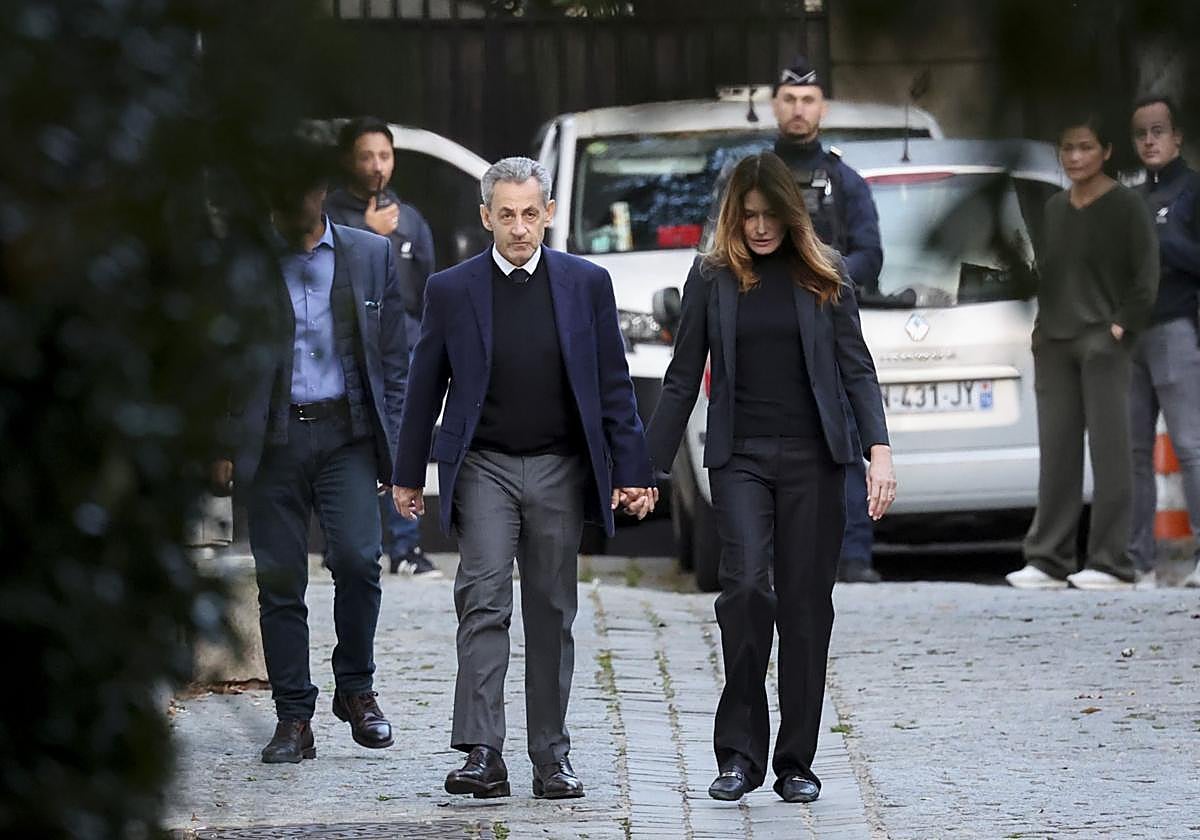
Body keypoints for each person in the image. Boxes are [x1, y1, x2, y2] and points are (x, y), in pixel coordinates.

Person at [391, 157, 656, 800]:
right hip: (483, 464)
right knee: (482, 598)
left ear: (549, 213)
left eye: (529, 213)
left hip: (560, 466)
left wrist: (634, 470)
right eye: (505, 215)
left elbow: (613, 386)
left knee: (551, 608)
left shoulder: (585, 284)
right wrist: (405, 473)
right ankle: (483, 751)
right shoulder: (452, 290)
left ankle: (551, 757)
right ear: (485, 217)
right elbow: (424, 384)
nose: (518, 227)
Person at [646, 152, 894, 804]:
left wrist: (880, 452)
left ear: (792, 213)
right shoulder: (712, 277)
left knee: (807, 609)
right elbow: (680, 379)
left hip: (816, 458)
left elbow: (856, 370)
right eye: (749, 215)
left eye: (771, 215)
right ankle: (738, 756)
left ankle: (796, 762)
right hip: (741, 459)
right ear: (734, 214)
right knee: (748, 592)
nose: (759, 228)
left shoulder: (827, 274)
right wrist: (647, 465)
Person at [215, 136, 409, 762]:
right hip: (272, 439)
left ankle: (355, 688)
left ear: (322, 190)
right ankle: (293, 717)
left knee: (358, 560)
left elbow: (394, 358)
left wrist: (401, 447)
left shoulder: (370, 254)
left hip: (345, 434)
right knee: (280, 582)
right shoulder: (241, 264)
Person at [1006, 113, 1159, 591]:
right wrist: (1039, 332)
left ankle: (1112, 561)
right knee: (1057, 452)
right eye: (1067, 148)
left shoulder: (1127, 206)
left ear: (1107, 151)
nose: (1074, 158)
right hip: (1054, 341)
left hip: (1103, 342)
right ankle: (1049, 558)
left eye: (1085, 148)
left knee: (1112, 453)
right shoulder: (1053, 208)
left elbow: (1146, 274)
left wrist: (1120, 327)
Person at [771, 57, 885, 583]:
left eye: (808, 99)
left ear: (823, 107)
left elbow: (870, 254)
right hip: (767, 327)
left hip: (827, 322)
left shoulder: (843, 179)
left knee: (842, 438)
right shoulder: (752, 176)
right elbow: (720, 244)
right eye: (790, 99)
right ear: (775, 105)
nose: (799, 109)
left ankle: (854, 555)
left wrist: (824, 275)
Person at [324, 116, 440, 578]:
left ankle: (407, 546)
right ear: (347, 159)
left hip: (403, 348)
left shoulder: (409, 218)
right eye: (367, 155)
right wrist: (370, 236)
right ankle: (351, 545)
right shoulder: (328, 216)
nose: (377, 165)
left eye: (385, 155)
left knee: (403, 436)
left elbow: (428, 286)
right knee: (352, 444)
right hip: (346, 349)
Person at [1126, 96, 1200, 589]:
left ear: (1176, 137)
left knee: (1190, 445)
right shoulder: (1132, 197)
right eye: (1142, 134)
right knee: (1132, 451)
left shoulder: (1192, 190)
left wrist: (1160, 239)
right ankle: (1138, 560)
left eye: (1159, 131)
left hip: (1175, 326)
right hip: (1129, 333)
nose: (1150, 141)